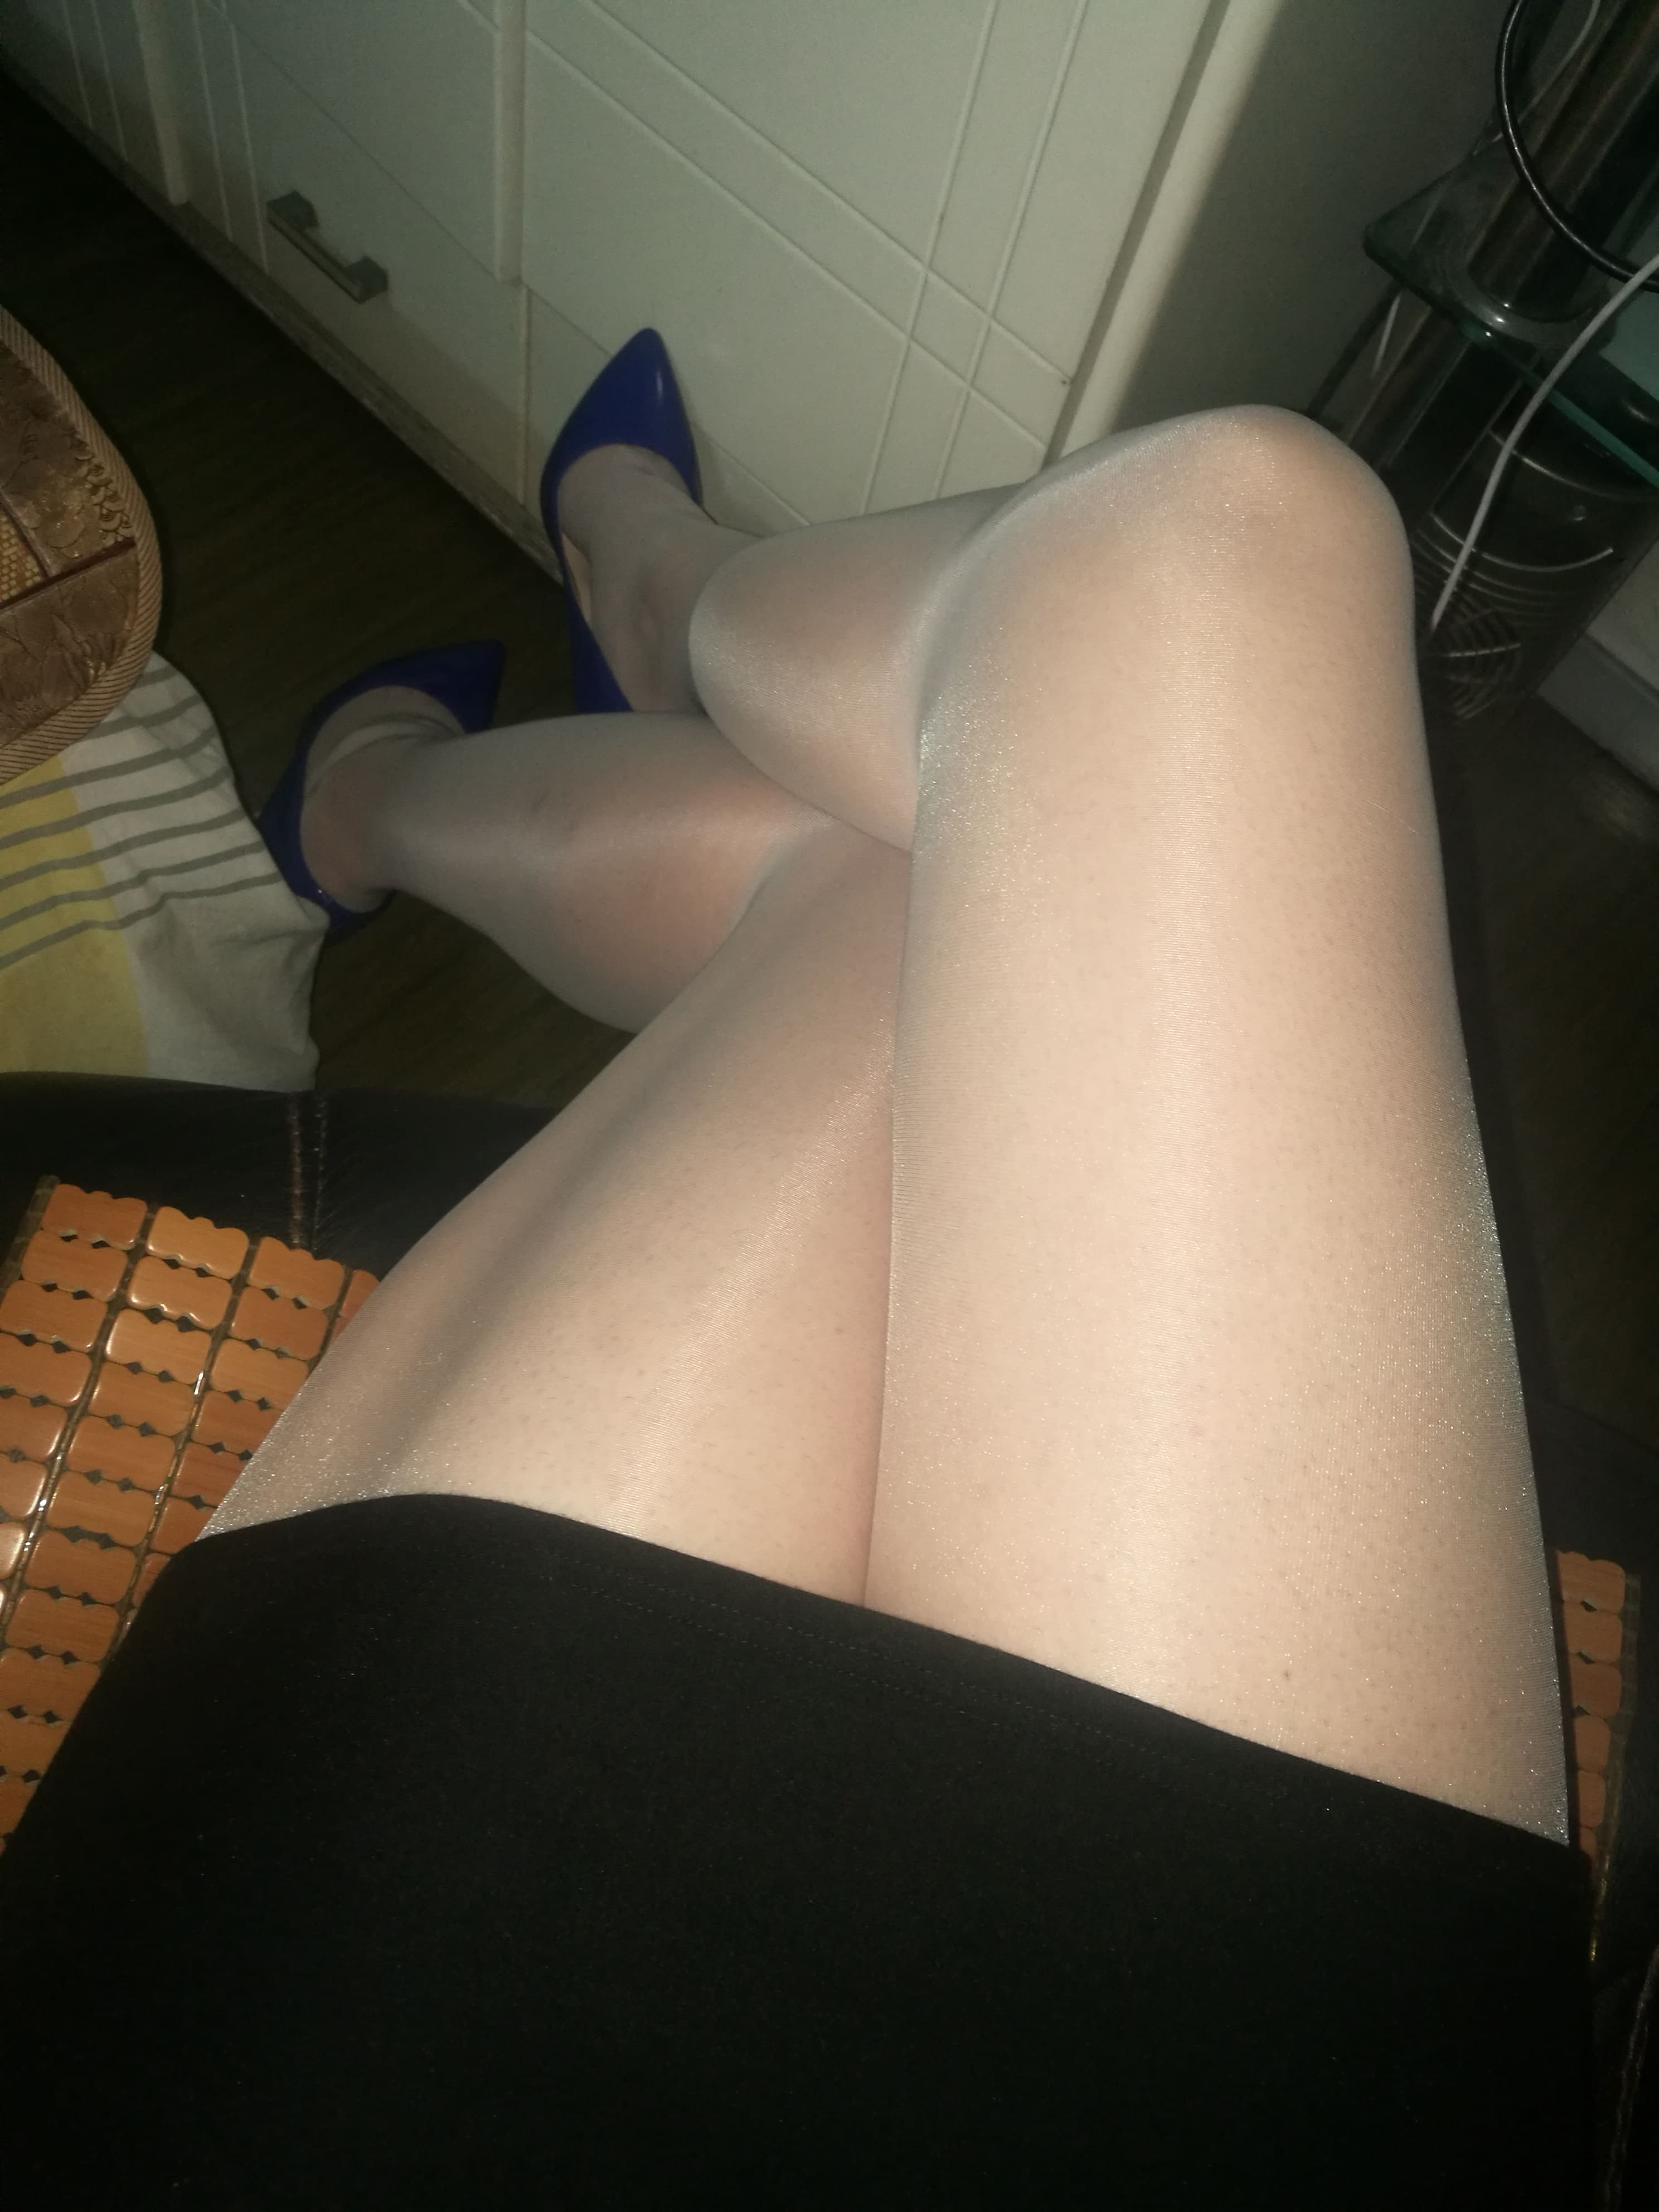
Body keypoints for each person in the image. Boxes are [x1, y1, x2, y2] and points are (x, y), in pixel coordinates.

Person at [0, 333, 1590, 2207]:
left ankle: (421, 768)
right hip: (1283, 2052)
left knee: (965, 791)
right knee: (1216, 555)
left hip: (426, 2029)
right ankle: (604, 648)